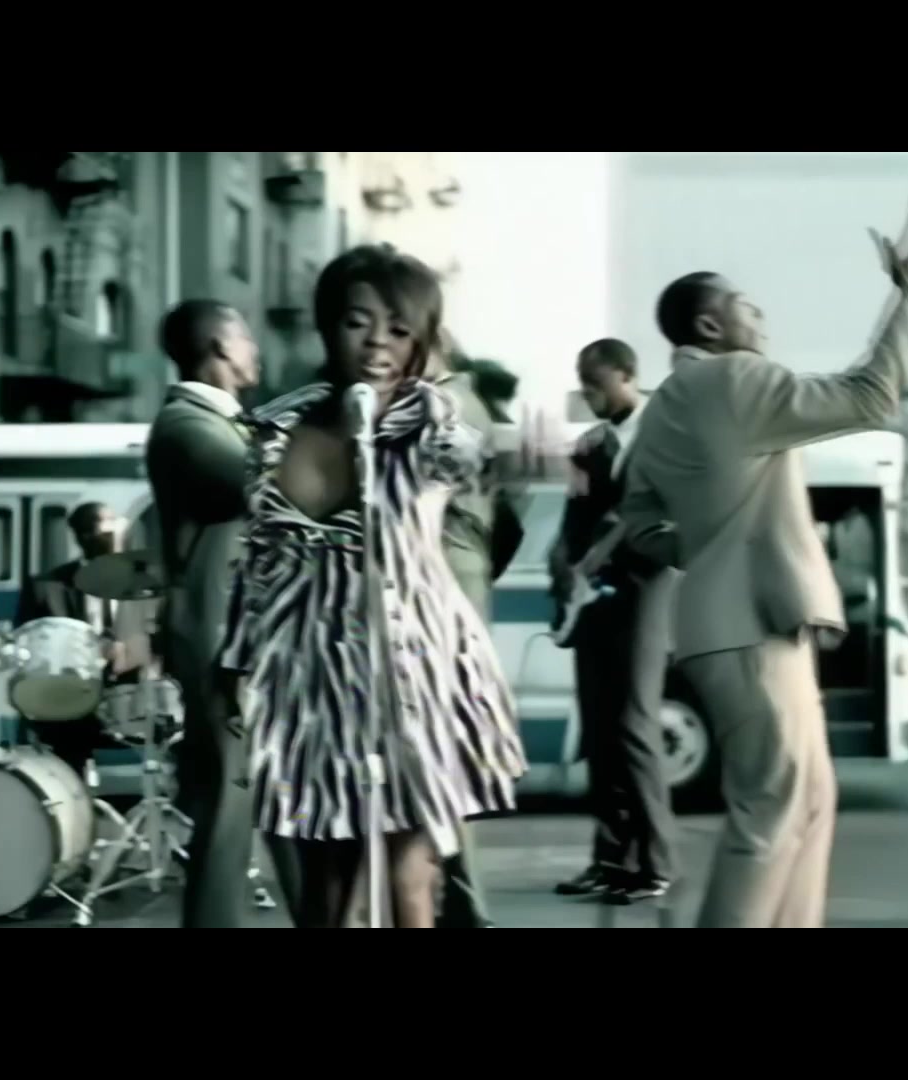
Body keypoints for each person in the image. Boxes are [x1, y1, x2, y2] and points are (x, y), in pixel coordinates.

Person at [617, 201, 908, 928]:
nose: (761, 315)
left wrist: (704, 547)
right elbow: (870, 396)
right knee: (771, 811)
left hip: (725, 622)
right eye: (745, 304)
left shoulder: (662, 408)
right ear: (709, 326)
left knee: (808, 803)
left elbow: (636, 521)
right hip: (751, 629)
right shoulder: (735, 380)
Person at [218, 245, 527, 928]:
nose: (378, 343)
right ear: (329, 326)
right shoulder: (275, 428)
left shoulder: (436, 424)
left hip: (411, 670)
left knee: (410, 877)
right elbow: (257, 560)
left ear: (421, 340)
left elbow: (454, 486)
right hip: (306, 673)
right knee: (324, 887)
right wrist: (234, 659)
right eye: (358, 322)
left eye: (399, 328)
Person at [144, 299, 298, 928]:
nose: (255, 350)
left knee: (280, 793)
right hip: (217, 639)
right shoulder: (185, 424)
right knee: (230, 800)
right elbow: (257, 483)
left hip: (247, 633)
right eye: (246, 339)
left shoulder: (225, 422)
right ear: (221, 347)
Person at [550, 337, 678, 905]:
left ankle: (655, 863)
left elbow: (661, 510)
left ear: (627, 375)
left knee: (633, 723)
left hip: (645, 586)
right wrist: (563, 568)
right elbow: (572, 518)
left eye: (595, 382)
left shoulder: (664, 433)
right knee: (599, 726)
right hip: (590, 595)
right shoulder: (590, 445)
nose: (588, 393)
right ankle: (610, 859)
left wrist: (601, 552)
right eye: (583, 383)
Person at [430, 332, 527, 928]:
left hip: (438, 587)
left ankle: (457, 901)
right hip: (462, 581)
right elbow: (513, 513)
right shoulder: (478, 408)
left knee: (433, 749)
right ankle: (457, 898)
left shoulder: (443, 405)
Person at [14, 502, 131, 772]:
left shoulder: (142, 580)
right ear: (83, 536)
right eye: (107, 525)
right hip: (71, 702)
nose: (116, 531)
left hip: (129, 695)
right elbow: (26, 647)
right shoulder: (46, 587)